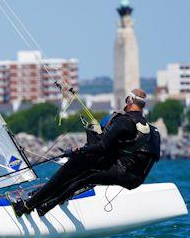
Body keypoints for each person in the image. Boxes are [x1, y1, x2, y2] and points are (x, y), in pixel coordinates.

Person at [14, 88, 161, 217]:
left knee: (64, 175)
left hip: (114, 166)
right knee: (83, 177)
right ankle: (45, 206)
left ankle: (27, 206)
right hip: (132, 175)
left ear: (129, 100)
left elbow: (102, 146)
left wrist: (77, 150)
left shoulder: (124, 120)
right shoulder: (148, 128)